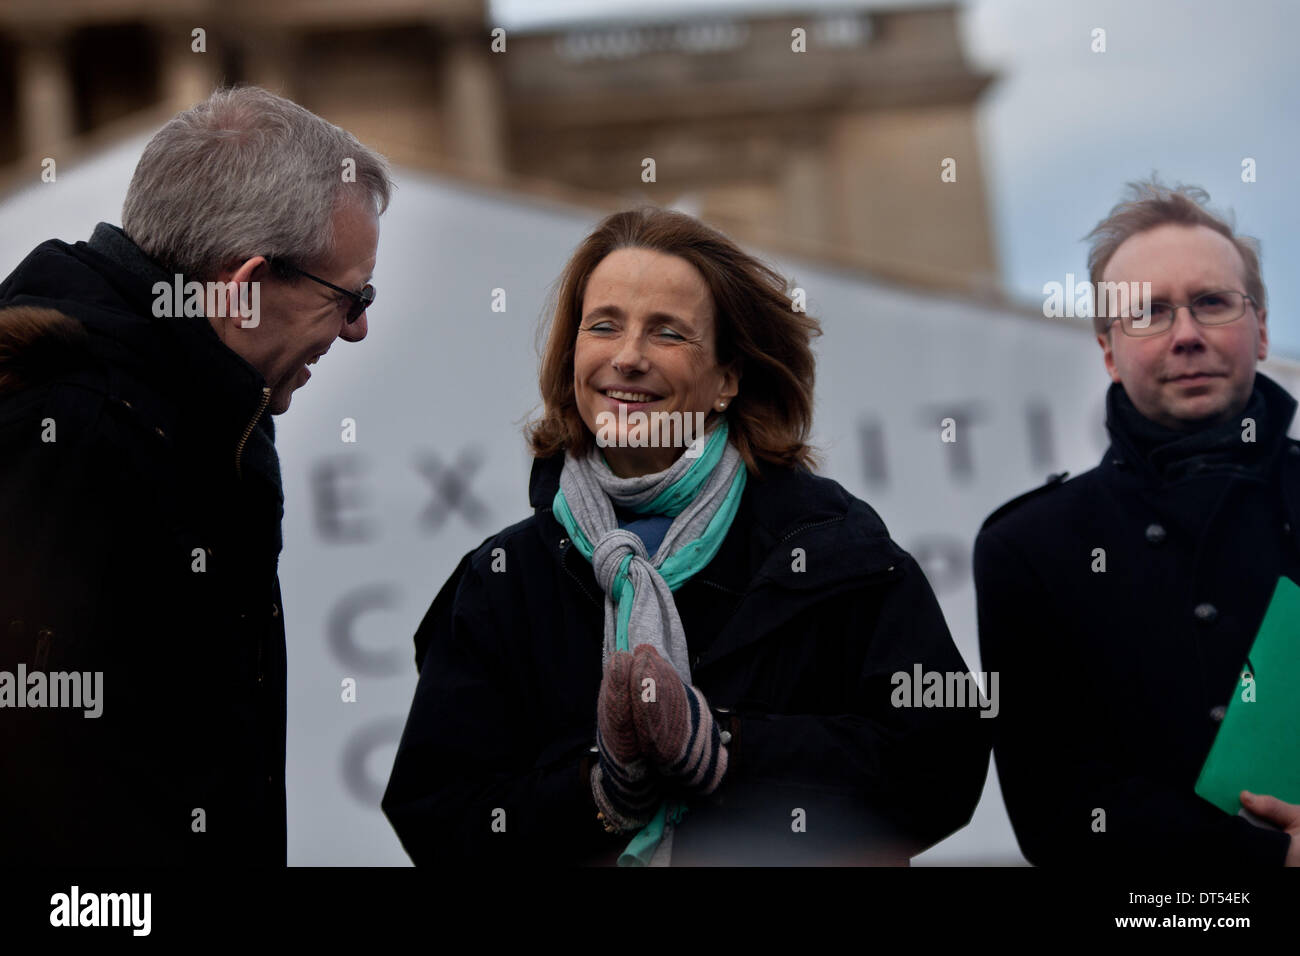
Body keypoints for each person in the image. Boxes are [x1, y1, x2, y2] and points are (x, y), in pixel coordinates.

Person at [383, 207, 989, 866]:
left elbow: (940, 768)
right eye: (604, 325)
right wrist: (600, 790)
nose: (629, 357)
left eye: (667, 333)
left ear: (728, 379)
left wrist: (724, 748)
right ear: (572, 353)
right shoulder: (502, 578)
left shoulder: (835, 546)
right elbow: (440, 817)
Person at [0, 86, 392, 865]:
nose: (358, 329)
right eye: (350, 297)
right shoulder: (64, 434)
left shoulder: (204, 416)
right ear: (244, 287)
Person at [974, 181, 1300, 866]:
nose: (1186, 336)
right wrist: (1267, 860)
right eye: (1148, 313)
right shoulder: (1030, 548)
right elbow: (1056, 813)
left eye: (1212, 303)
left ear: (1263, 327)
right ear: (1107, 349)